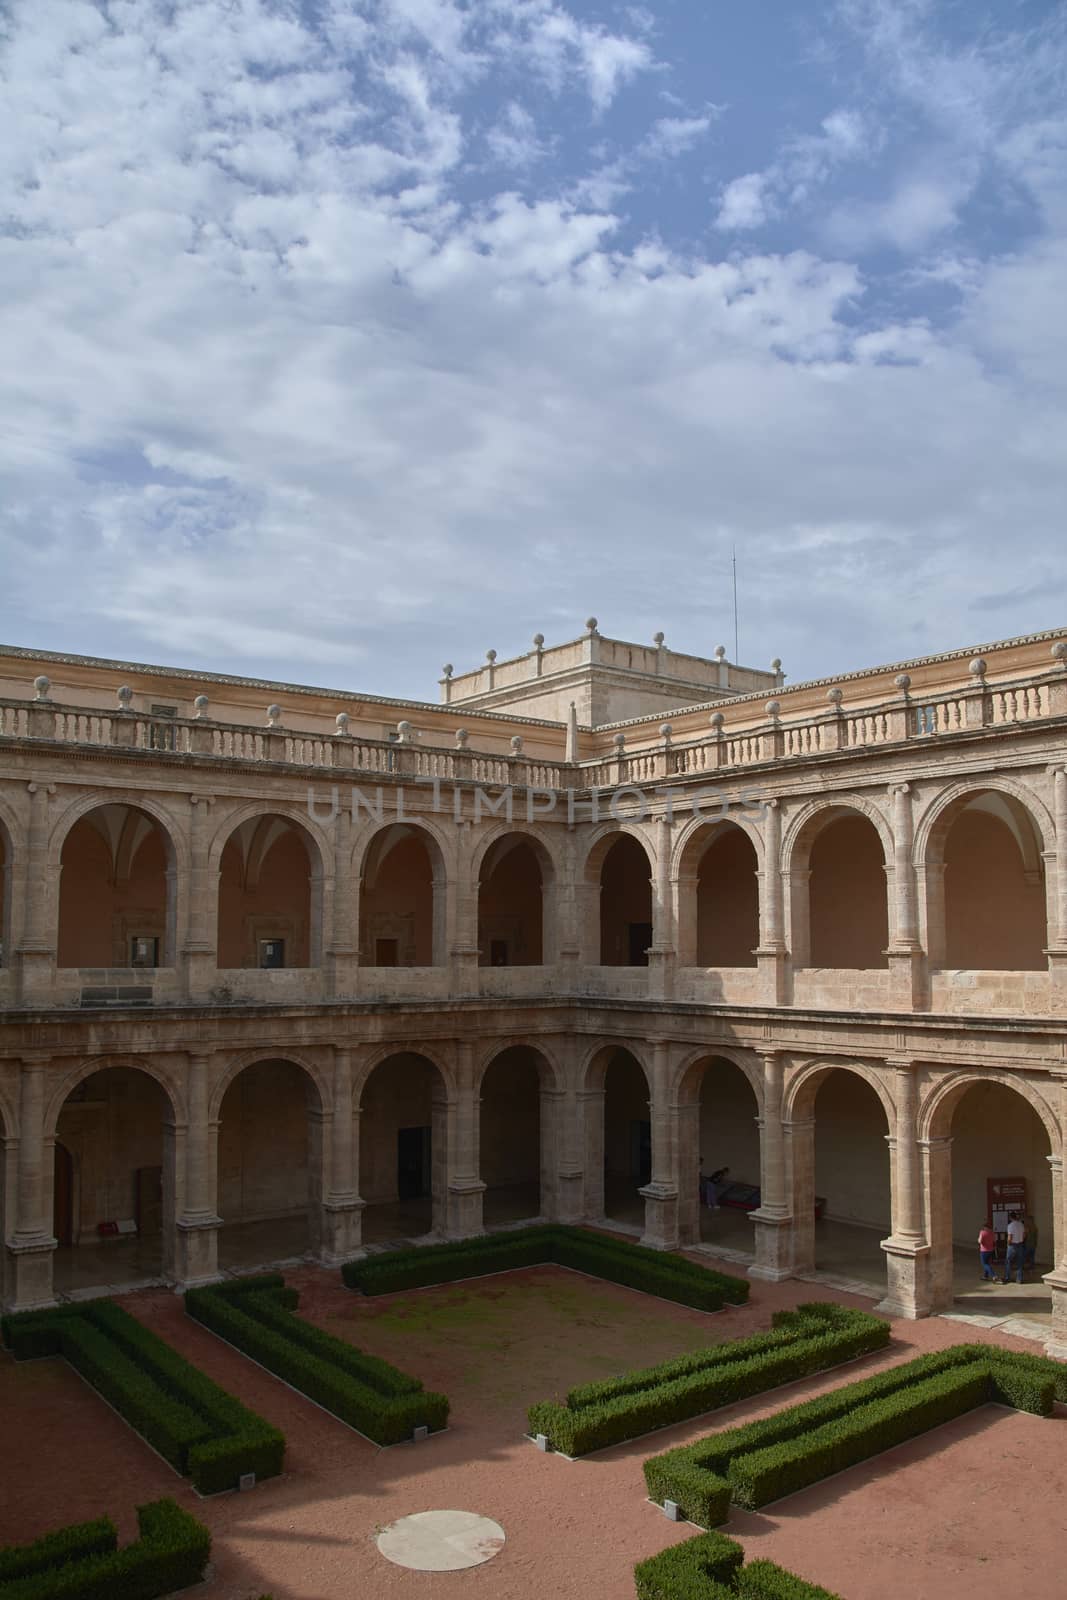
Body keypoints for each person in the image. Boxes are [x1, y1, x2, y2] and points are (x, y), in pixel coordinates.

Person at [1003, 1212, 1026, 1284]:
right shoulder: (1021, 1224)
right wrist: (1021, 1240)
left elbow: (1010, 1237)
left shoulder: (1010, 1225)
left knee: (1008, 1261)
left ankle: (1008, 1277)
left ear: (1010, 1217)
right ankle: (1019, 1279)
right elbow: (1024, 1235)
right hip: (1020, 1244)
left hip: (1012, 1245)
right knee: (1020, 1262)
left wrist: (1008, 1244)